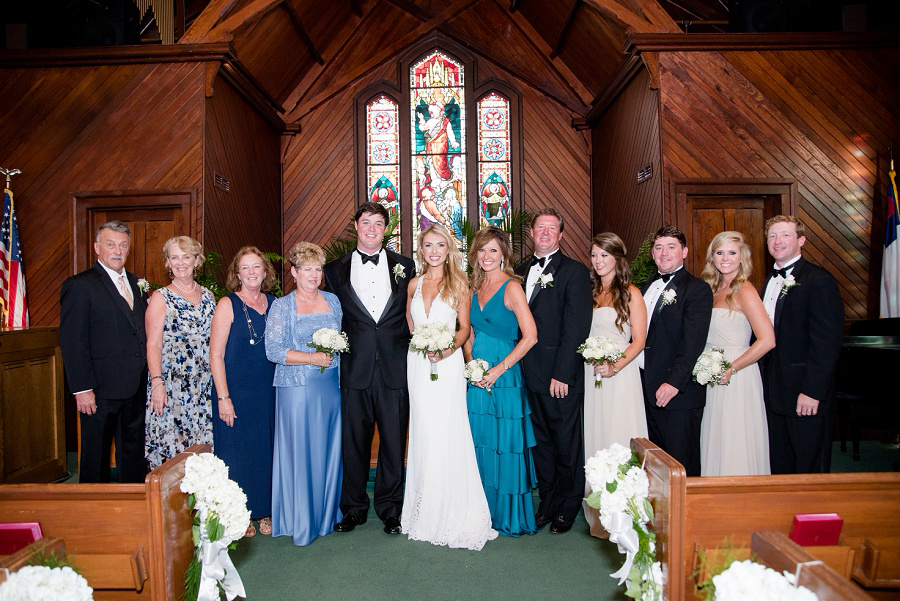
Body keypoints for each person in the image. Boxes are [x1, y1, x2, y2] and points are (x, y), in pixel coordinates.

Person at [401, 225, 497, 549]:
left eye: (440, 245)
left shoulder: (460, 285)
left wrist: (444, 350)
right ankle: (421, 510)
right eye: (428, 245)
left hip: (447, 364)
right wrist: (422, 347)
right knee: (424, 432)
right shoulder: (413, 284)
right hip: (418, 366)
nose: (434, 251)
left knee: (446, 430)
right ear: (421, 249)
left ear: (449, 249)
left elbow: (465, 328)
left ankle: (451, 510)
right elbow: (412, 324)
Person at [323, 202, 416, 535]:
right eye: (366, 222)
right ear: (356, 226)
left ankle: (391, 509)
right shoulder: (334, 269)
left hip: (394, 367)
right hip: (354, 368)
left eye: (379, 223)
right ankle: (354, 508)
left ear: (385, 229)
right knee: (354, 443)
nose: (372, 228)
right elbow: (327, 316)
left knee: (393, 442)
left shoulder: (406, 265)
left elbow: (413, 312)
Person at [515, 208, 592, 534]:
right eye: (540, 228)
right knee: (542, 444)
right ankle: (547, 503)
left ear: (561, 235)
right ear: (531, 233)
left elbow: (577, 327)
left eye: (552, 229)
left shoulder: (574, 272)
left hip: (560, 377)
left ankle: (567, 506)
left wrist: (563, 373)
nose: (545, 233)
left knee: (566, 444)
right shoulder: (519, 271)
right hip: (528, 374)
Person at [266, 242, 343, 546]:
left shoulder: (333, 301)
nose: (313, 274)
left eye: (318, 268)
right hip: (296, 388)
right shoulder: (282, 306)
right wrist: (311, 358)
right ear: (294, 272)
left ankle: (325, 514)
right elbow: (272, 350)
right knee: (300, 450)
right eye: (306, 269)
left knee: (325, 447)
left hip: (329, 387)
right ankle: (299, 518)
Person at [59, 220, 148, 483]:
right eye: (110, 244)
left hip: (135, 387)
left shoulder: (137, 283)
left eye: (123, 245)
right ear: (98, 248)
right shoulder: (80, 285)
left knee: (133, 454)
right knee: (95, 456)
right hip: (99, 390)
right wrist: (82, 388)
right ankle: (91, 513)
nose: (117, 250)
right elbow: (73, 341)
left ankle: (132, 509)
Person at [466, 227, 538, 537]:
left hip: (505, 377)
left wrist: (497, 370)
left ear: (504, 254)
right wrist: (473, 366)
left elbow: (531, 336)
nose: (486, 256)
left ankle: (506, 515)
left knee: (505, 443)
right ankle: (480, 512)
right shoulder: (472, 287)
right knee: (479, 440)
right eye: (482, 250)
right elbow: (468, 333)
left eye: (493, 250)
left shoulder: (512, 288)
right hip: (477, 376)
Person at [761, 215, 843, 474]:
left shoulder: (819, 280)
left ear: (801, 240)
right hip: (775, 391)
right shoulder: (767, 282)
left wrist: (813, 391)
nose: (778, 241)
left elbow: (827, 342)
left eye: (785, 235)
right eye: (772, 236)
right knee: (781, 463)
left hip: (805, 392)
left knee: (809, 466)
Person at [583, 233, 648, 536]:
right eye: (594, 255)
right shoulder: (591, 292)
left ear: (617, 258)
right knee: (597, 434)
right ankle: (599, 510)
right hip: (592, 373)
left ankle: (626, 511)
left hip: (619, 375)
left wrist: (614, 366)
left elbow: (639, 341)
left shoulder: (631, 292)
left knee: (618, 435)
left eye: (604, 256)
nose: (598, 261)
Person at [210, 247, 277, 537]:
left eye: (257, 267)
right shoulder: (227, 304)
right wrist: (224, 397)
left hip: (269, 390)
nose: (251, 272)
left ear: (265, 272)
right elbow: (215, 355)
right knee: (237, 453)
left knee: (266, 450)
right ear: (237, 274)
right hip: (235, 390)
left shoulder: (275, 303)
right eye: (245, 268)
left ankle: (265, 511)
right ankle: (241, 514)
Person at [699, 232, 775, 477]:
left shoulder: (745, 290)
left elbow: (767, 340)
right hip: (712, 374)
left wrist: (732, 368)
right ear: (712, 256)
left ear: (742, 258)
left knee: (734, 436)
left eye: (732, 253)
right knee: (718, 435)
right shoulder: (711, 289)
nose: (725, 258)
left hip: (737, 376)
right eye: (720, 252)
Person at [640, 226, 713, 477]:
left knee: (681, 463)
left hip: (677, 393)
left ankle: (687, 515)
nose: (664, 253)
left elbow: (692, 344)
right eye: (659, 248)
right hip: (644, 386)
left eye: (671, 247)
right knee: (654, 462)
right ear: (652, 254)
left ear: (684, 252)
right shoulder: (644, 287)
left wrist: (673, 383)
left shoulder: (697, 289)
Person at [145, 236, 215, 469]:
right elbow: (153, 344)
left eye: (186, 257)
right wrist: (157, 383)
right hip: (173, 387)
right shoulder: (160, 298)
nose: (181, 262)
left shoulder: (209, 296)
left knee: (204, 450)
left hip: (204, 384)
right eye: (174, 257)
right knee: (176, 454)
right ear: (167, 263)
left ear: (197, 260)